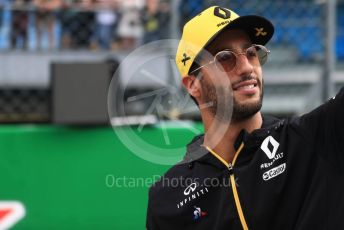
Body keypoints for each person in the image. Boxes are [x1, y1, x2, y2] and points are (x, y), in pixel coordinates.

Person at [146, 5, 344, 230]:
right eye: (225, 58)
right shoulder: (167, 199)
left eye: (251, 53)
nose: (247, 67)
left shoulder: (316, 137)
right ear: (193, 85)